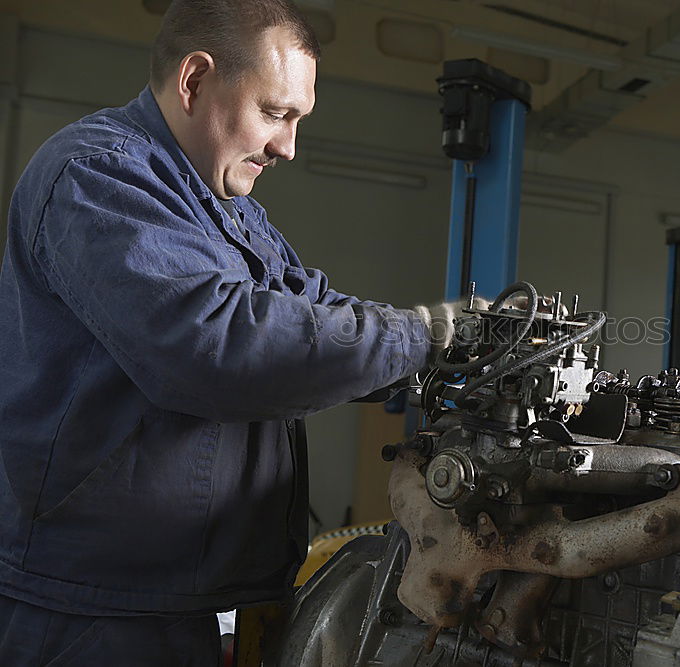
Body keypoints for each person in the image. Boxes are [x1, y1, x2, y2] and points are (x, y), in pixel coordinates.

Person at [0, 0, 464, 663]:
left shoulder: (229, 211)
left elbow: (311, 314)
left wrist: (443, 359)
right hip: (93, 606)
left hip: (187, 593)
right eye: (276, 114)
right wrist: (424, 335)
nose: (288, 146)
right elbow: (217, 347)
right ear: (193, 81)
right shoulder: (98, 175)